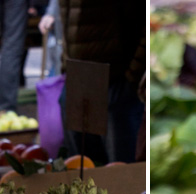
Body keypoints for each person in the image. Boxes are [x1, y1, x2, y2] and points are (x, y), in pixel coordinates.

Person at [57, 0, 143, 163]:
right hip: (79, 77)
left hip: (116, 79)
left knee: (121, 173)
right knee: (83, 172)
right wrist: (66, 65)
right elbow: (68, 18)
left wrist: (133, 76)